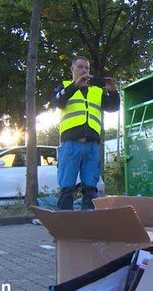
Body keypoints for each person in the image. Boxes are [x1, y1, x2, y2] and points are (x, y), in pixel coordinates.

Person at [50, 56, 120, 210]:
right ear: (72, 69)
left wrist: (113, 92)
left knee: (90, 187)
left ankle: (88, 225)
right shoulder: (65, 86)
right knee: (67, 186)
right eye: (80, 67)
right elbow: (56, 102)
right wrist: (75, 86)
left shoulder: (97, 91)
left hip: (92, 146)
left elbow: (113, 107)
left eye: (87, 68)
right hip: (70, 145)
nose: (84, 70)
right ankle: (64, 225)